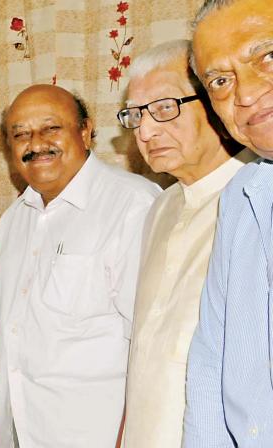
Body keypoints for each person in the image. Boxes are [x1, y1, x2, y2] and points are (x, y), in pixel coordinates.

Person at [0, 84, 160, 447]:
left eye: (51, 128)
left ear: (85, 131)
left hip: (94, 434)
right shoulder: (12, 221)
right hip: (18, 430)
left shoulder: (132, 206)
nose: (35, 143)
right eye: (20, 134)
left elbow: (152, 347)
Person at [118, 40, 251, 448]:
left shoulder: (254, 202)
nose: (145, 130)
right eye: (135, 115)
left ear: (214, 105)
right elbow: (145, 350)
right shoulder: (161, 208)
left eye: (164, 108)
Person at [184, 0, 273, 445]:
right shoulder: (242, 196)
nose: (246, 93)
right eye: (221, 80)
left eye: (267, 57)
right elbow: (210, 360)